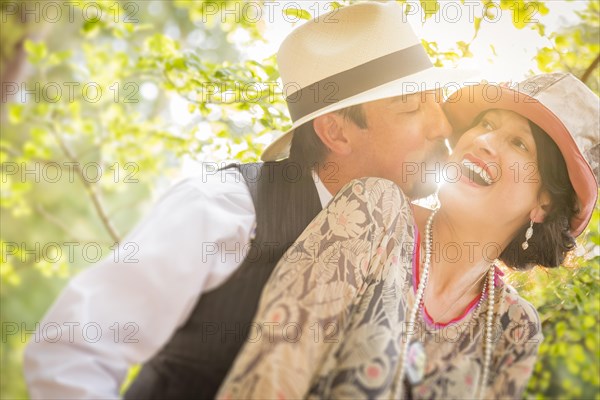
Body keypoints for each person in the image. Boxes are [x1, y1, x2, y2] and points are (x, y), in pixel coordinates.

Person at [23, 3, 472, 399]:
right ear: (336, 132)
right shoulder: (224, 209)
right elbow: (71, 349)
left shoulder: (420, 250)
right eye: (413, 107)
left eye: (438, 101)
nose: (441, 127)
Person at [216, 72, 598, 399]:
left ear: (544, 204)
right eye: (486, 123)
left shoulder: (516, 328)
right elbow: (275, 367)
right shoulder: (375, 210)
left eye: (518, 143)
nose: (483, 140)